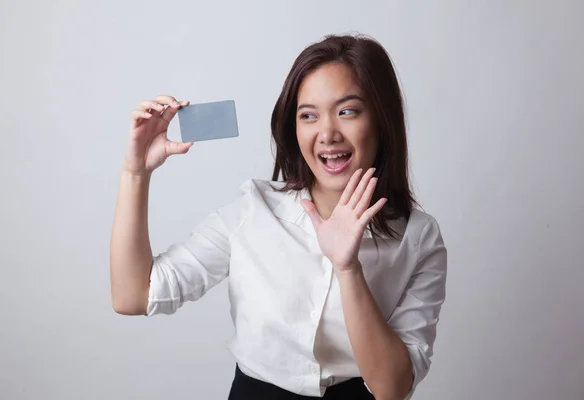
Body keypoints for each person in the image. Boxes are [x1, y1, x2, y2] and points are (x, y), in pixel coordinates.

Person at [110, 34, 447, 400]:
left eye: (348, 111)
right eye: (308, 116)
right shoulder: (253, 210)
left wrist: (347, 268)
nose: (328, 133)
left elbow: (392, 388)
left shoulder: (419, 238)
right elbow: (135, 295)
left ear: (381, 119)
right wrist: (135, 173)